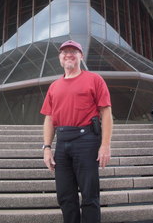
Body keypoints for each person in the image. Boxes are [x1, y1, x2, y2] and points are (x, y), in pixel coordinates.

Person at [40, 40, 113, 223]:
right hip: (62, 142)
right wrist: (47, 148)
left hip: (86, 139)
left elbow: (106, 112)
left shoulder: (94, 79)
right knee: (65, 195)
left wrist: (105, 145)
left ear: (81, 55)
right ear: (60, 58)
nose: (68, 54)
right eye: (64, 52)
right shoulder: (54, 86)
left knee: (90, 195)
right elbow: (49, 118)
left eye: (73, 51)